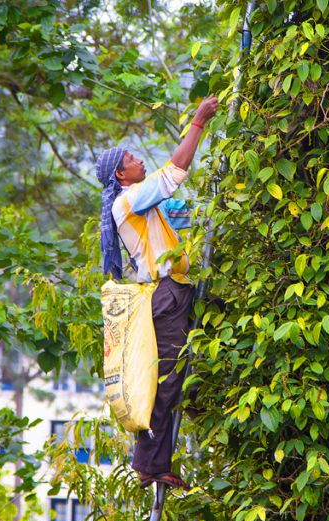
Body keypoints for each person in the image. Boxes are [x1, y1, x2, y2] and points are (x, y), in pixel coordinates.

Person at [95, 96, 219, 490]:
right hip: (165, 296)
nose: (139, 161)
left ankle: (157, 460)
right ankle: (149, 465)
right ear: (121, 175)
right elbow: (173, 173)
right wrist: (198, 122)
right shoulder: (129, 201)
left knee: (178, 375)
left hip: (177, 290)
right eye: (132, 159)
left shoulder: (146, 203)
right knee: (165, 381)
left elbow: (187, 210)